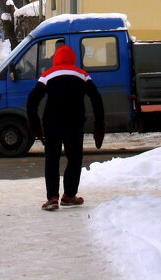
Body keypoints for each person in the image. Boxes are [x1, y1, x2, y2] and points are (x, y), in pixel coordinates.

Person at [26, 44, 105, 212]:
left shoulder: (47, 75)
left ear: (56, 59)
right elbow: (96, 99)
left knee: (52, 159)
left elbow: (32, 99)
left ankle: (52, 198)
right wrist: (99, 124)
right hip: (74, 122)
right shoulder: (82, 75)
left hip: (52, 122)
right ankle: (69, 195)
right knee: (75, 158)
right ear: (73, 59)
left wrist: (34, 123)